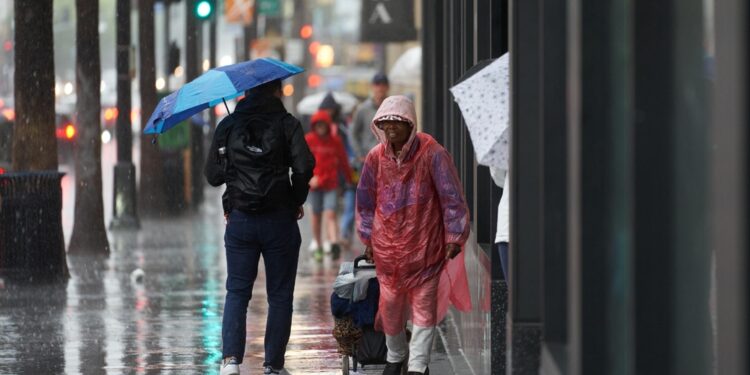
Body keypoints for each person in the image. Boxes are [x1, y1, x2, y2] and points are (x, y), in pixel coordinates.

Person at [204, 79, 315, 375]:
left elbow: (212, 175)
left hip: (240, 220)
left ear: (245, 92)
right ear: (278, 91)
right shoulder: (287, 123)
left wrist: (233, 172)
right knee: (279, 295)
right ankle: (273, 364)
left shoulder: (228, 125)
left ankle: (230, 360)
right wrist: (294, 198)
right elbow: (304, 166)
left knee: (237, 291)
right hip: (280, 218)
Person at [356, 96, 471, 375]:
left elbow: (451, 197)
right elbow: (366, 201)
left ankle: (418, 365)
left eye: (397, 121)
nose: (391, 127)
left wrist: (454, 236)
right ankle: (395, 356)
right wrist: (368, 237)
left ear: (410, 124)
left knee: (423, 306)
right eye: (386, 122)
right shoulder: (375, 157)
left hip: (425, 247)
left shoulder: (432, 153)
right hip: (388, 252)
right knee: (391, 306)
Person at [305, 109, 353, 260]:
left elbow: (344, 161)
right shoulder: (309, 140)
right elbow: (302, 162)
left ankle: (333, 243)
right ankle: (318, 245)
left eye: (323, 125)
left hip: (331, 183)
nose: (321, 128)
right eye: (317, 125)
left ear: (327, 125)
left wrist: (349, 179)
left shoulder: (335, 141)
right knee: (316, 215)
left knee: (331, 212)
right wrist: (308, 178)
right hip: (315, 185)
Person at [318, 92, 357, 248]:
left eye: (331, 109)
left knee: (350, 202)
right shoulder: (318, 125)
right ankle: (331, 237)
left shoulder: (342, 124)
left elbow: (349, 143)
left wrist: (351, 160)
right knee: (329, 208)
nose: (329, 112)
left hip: (344, 167)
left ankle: (344, 233)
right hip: (328, 172)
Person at [350, 73, 389, 164]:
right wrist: (360, 154)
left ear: (387, 87)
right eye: (377, 84)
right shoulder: (363, 109)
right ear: (372, 87)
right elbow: (353, 133)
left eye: (383, 85)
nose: (380, 88)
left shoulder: (392, 108)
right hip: (368, 159)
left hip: (388, 160)